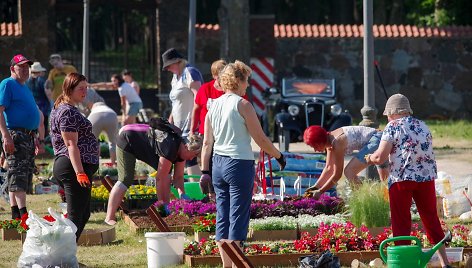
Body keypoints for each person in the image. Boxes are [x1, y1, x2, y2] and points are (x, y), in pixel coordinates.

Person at [201, 60, 286, 267]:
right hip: (238, 163)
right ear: (238, 80)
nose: (248, 85)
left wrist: (205, 170)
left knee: (223, 214)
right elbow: (261, 139)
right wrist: (278, 156)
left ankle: (226, 265)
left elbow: (206, 143)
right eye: (246, 80)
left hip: (217, 163)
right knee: (238, 215)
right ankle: (237, 264)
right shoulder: (243, 104)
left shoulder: (213, 105)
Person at [366, 94, 451, 268]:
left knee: (401, 220)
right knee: (431, 219)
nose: (387, 117)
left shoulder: (392, 126)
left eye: (388, 114)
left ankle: (404, 263)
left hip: (402, 179)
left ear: (392, 112)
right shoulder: (424, 126)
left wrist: (370, 158)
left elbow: (381, 156)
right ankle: (445, 262)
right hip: (426, 179)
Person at [104, 120, 201, 225]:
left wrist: (182, 195)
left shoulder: (182, 150)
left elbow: (178, 177)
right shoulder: (170, 147)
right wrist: (163, 205)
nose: (193, 158)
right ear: (186, 147)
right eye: (194, 155)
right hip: (128, 137)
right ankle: (109, 217)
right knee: (125, 179)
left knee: (167, 172)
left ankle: (164, 210)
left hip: (142, 138)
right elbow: (160, 178)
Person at [50, 73, 99, 241]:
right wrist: (79, 172)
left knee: (82, 214)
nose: (85, 92)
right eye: (81, 89)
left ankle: (68, 255)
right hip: (72, 167)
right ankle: (63, 257)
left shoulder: (66, 108)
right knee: (75, 217)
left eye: (86, 88)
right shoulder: (67, 112)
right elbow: (71, 144)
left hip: (74, 166)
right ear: (69, 89)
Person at [0, 54, 44, 219]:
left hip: (27, 136)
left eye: (27, 67)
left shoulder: (24, 86)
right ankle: (23, 215)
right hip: (16, 135)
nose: (26, 70)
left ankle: (16, 216)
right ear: (13, 68)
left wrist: (37, 138)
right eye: (21, 67)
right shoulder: (8, 84)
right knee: (18, 175)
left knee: (20, 175)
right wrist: (6, 136)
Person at [302, 125, 389, 198]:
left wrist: (321, 191)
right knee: (386, 182)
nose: (315, 150)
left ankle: (364, 200)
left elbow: (337, 175)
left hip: (377, 139)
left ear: (321, 141)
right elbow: (328, 168)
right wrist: (316, 186)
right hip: (378, 138)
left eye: (315, 146)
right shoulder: (330, 141)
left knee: (349, 171)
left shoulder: (337, 142)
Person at [162, 48, 203, 175]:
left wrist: (196, 124)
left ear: (177, 61)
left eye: (168, 66)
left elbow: (199, 97)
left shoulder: (190, 72)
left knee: (191, 159)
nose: (167, 69)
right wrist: (170, 122)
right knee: (185, 159)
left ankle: (202, 192)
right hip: (179, 127)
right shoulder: (175, 78)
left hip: (191, 124)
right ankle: (200, 190)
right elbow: (176, 104)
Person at [189, 59, 226, 187]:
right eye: (220, 74)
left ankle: (221, 187)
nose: (224, 77)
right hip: (208, 132)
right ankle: (211, 192)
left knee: (223, 162)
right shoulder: (206, 88)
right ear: (214, 75)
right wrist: (192, 129)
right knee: (208, 161)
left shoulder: (232, 89)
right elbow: (196, 108)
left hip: (225, 133)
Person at [82, 88, 118, 165]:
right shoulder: (102, 102)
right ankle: (113, 163)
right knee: (112, 142)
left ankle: (94, 163)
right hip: (111, 114)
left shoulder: (89, 104)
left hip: (95, 115)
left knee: (93, 142)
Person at [26, 62, 51, 135]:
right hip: (43, 108)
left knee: (33, 130)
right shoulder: (42, 80)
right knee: (43, 128)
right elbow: (48, 93)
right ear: (39, 72)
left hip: (31, 107)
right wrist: (52, 104)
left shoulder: (27, 81)